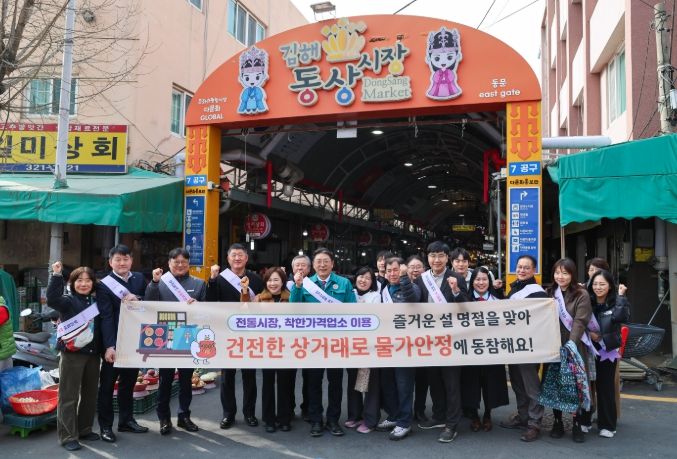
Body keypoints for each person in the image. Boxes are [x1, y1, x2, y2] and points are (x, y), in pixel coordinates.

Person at [290, 247, 356, 437]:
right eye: (318, 261)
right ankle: (316, 420)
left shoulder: (344, 283)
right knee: (313, 383)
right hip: (313, 343)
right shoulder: (305, 283)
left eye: (326, 261)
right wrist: (297, 287)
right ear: (313, 265)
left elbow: (353, 311)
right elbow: (294, 309)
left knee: (336, 383)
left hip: (336, 342)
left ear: (332, 264)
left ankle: (333, 420)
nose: (322, 264)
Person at [145, 248, 207, 436]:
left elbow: (207, 311)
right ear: (169, 263)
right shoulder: (160, 282)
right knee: (165, 379)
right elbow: (148, 303)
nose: (180, 265)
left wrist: (198, 306)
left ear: (189, 264)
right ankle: (164, 418)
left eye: (183, 262)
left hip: (188, 335)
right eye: (176, 262)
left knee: (186, 380)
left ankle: (184, 416)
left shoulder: (199, 283)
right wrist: (154, 283)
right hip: (165, 336)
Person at [412, 241, 468, 444]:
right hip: (429, 340)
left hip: (450, 339)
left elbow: (466, 307)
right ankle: (439, 415)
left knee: (451, 383)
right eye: (433, 255)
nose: (436, 260)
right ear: (427, 258)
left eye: (441, 256)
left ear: (447, 258)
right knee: (434, 379)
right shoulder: (421, 279)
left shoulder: (457, 278)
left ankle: (452, 424)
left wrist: (456, 291)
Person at [207, 243, 264, 430]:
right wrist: (212, 280)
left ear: (246, 258)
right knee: (227, 377)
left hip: (250, 333)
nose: (237, 258)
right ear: (228, 258)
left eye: (241, 255)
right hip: (227, 333)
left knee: (250, 376)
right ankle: (228, 414)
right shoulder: (219, 279)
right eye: (234, 255)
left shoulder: (256, 279)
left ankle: (249, 413)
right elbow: (210, 302)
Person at [47, 262, 103, 451]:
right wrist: (56, 275)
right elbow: (52, 299)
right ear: (72, 283)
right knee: (68, 395)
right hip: (72, 354)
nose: (84, 284)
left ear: (93, 283)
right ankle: (68, 436)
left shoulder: (96, 301)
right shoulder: (68, 301)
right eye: (79, 280)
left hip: (93, 354)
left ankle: (85, 429)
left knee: (90, 394)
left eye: (88, 280)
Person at [97, 245, 149, 443]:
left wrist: (138, 299)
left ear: (131, 261)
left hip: (134, 340)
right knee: (107, 386)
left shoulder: (138, 279)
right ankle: (105, 426)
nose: (122, 263)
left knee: (128, 383)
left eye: (125, 259)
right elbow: (106, 317)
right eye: (118, 259)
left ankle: (126, 420)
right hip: (114, 343)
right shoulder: (104, 285)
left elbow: (148, 304)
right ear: (111, 262)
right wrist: (110, 346)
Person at [499, 254, 548, 442]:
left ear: (534, 270)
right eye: (519, 267)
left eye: (526, 267)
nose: (522, 270)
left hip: (529, 346)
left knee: (531, 386)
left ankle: (535, 423)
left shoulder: (537, 293)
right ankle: (523, 416)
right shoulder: (515, 288)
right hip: (513, 345)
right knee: (518, 383)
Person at [546, 258, 593, 443]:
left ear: (572, 275)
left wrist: (571, 345)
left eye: (565, 273)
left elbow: (580, 321)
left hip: (575, 347)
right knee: (554, 384)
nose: (560, 276)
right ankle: (557, 422)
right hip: (553, 346)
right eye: (557, 273)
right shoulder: (549, 292)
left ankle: (576, 423)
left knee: (575, 386)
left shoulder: (581, 294)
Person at [244, 267, 295, 433]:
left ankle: (285, 418)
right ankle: (269, 419)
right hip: (267, 348)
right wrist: (244, 291)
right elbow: (245, 312)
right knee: (267, 383)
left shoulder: (291, 298)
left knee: (285, 384)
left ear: (283, 281)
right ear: (265, 282)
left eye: (276, 280)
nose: (273, 283)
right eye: (269, 280)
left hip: (287, 348)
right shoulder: (259, 299)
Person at [375, 257, 421, 440]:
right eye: (389, 271)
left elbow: (412, 300)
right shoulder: (383, 290)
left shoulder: (412, 287)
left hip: (405, 346)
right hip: (387, 345)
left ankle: (404, 422)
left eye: (396, 270)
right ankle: (394, 415)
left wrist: (404, 278)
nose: (392, 274)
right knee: (388, 384)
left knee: (404, 386)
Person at [461, 266, 509, 432]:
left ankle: (488, 414)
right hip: (471, 351)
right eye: (477, 279)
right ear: (472, 282)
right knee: (471, 384)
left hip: (492, 350)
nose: (481, 283)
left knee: (491, 384)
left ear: (489, 281)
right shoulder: (465, 300)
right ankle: (474, 415)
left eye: (484, 279)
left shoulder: (498, 300)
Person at [586, 269, 630, 439]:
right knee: (586, 386)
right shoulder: (587, 300)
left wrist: (621, 296)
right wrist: (589, 334)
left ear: (610, 286)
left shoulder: (616, 302)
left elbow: (621, 317)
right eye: (595, 284)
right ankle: (584, 421)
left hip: (607, 350)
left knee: (605, 387)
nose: (598, 287)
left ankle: (607, 425)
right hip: (588, 347)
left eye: (602, 284)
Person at [345, 267, 381, 431]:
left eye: (368, 278)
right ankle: (354, 415)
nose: (363, 280)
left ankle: (370, 420)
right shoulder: (350, 293)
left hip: (369, 345)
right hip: (351, 345)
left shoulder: (375, 296)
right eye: (361, 276)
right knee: (353, 380)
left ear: (372, 282)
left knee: (369, 383)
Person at [287, 254, 312, 421]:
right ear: (292, 268)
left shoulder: (315, 285)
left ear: (309, 269)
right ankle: (288, 409)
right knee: (289, 377)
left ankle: (307, 408)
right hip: (291, 338)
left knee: (309, 377)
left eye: (304, 265)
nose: (300, 268)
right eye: (297, 265)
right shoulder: (285, 283)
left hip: (310, 338)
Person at [405, 254, 429, 421]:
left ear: (424, 269)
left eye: (418, 267)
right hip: (405, 340)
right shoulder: (400, 283)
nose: (415, 270)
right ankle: (404, 411)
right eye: (412, 267)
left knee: (422, 378)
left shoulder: (428, 285)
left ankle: (419, 410)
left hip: (424, 338)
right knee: (405, 380)